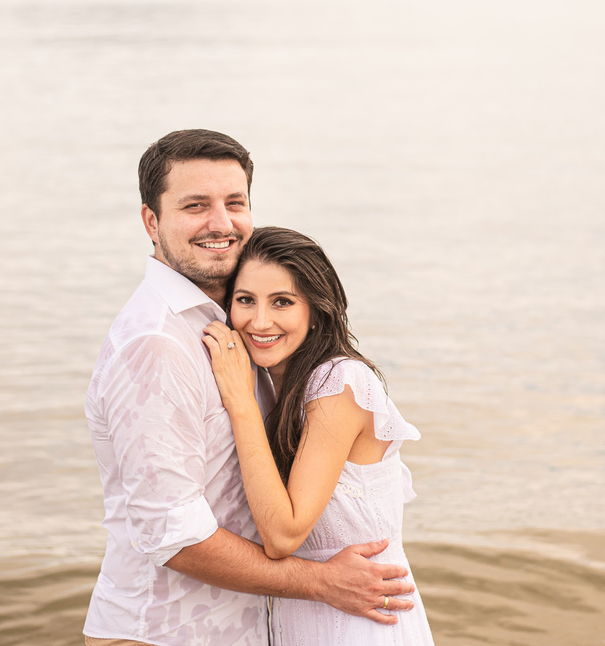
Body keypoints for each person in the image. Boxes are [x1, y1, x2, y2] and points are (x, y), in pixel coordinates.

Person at [83, 130, 416, 646]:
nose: (221, 223)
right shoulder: (156, 343)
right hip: (166, 633)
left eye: (234, 203)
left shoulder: (240, 332)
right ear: (152, 221)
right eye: (196, 205)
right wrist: (321, 582)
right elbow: (171, 535)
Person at [203, 226, 436, 645]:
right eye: (245, 300)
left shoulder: (338, 382)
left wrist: (239, 403)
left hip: (361, 623)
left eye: (282, 302)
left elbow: (283, 535)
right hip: (310, 612)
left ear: (316, 310)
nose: (260, 321)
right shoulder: (278, 386)